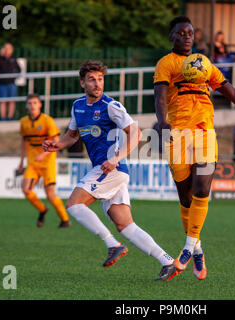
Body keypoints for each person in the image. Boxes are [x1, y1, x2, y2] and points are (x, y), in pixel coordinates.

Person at [153, 16, 235, 280]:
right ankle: (198, 249)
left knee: (202, 189)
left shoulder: (204, 64)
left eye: (190, 32)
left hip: (204, 133)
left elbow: (233, 94)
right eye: (181, 33)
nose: (186, 36)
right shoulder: (166, 64)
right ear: (172, 37)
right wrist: (162, 123)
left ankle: (188, 249)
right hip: (177, 134)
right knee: (185, 197)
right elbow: (160, 97)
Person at [42, 60, 179, 281]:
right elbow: (72, 136)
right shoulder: (78, 106)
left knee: (74, 204)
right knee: (125, 224)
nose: (97, 84)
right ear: (82, 83)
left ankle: (112, 244)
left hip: (112, 169)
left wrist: (116, 158)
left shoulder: (110, 105)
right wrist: (57, 144)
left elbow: (135, 132)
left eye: (100, 79)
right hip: (108, 170)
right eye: (92, 79)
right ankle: (167, 261)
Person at [17, 94, 71, 228]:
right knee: (26, 190)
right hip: (32, 163)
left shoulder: (47, 121)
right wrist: (21, 161)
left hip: (47, 163)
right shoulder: (23, 122)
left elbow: (57, 141)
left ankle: (65, 220)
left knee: (50, 195)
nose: (32, 105)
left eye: (35, 103)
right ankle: (42, 209)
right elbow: (24, 141)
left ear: (40, 104)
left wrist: (43, 154)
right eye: (29, 103)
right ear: (26, 105)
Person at [0, 43, 21, 121]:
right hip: (2, 83)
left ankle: (10, 117)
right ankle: (2, 118)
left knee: (12, 101)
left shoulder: (13, 58)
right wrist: (1, 55)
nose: (7, 50)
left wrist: (14, 77)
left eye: (9, 48)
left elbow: (19, 69)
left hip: (11, 83)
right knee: (2, 101)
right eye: (5, 48)